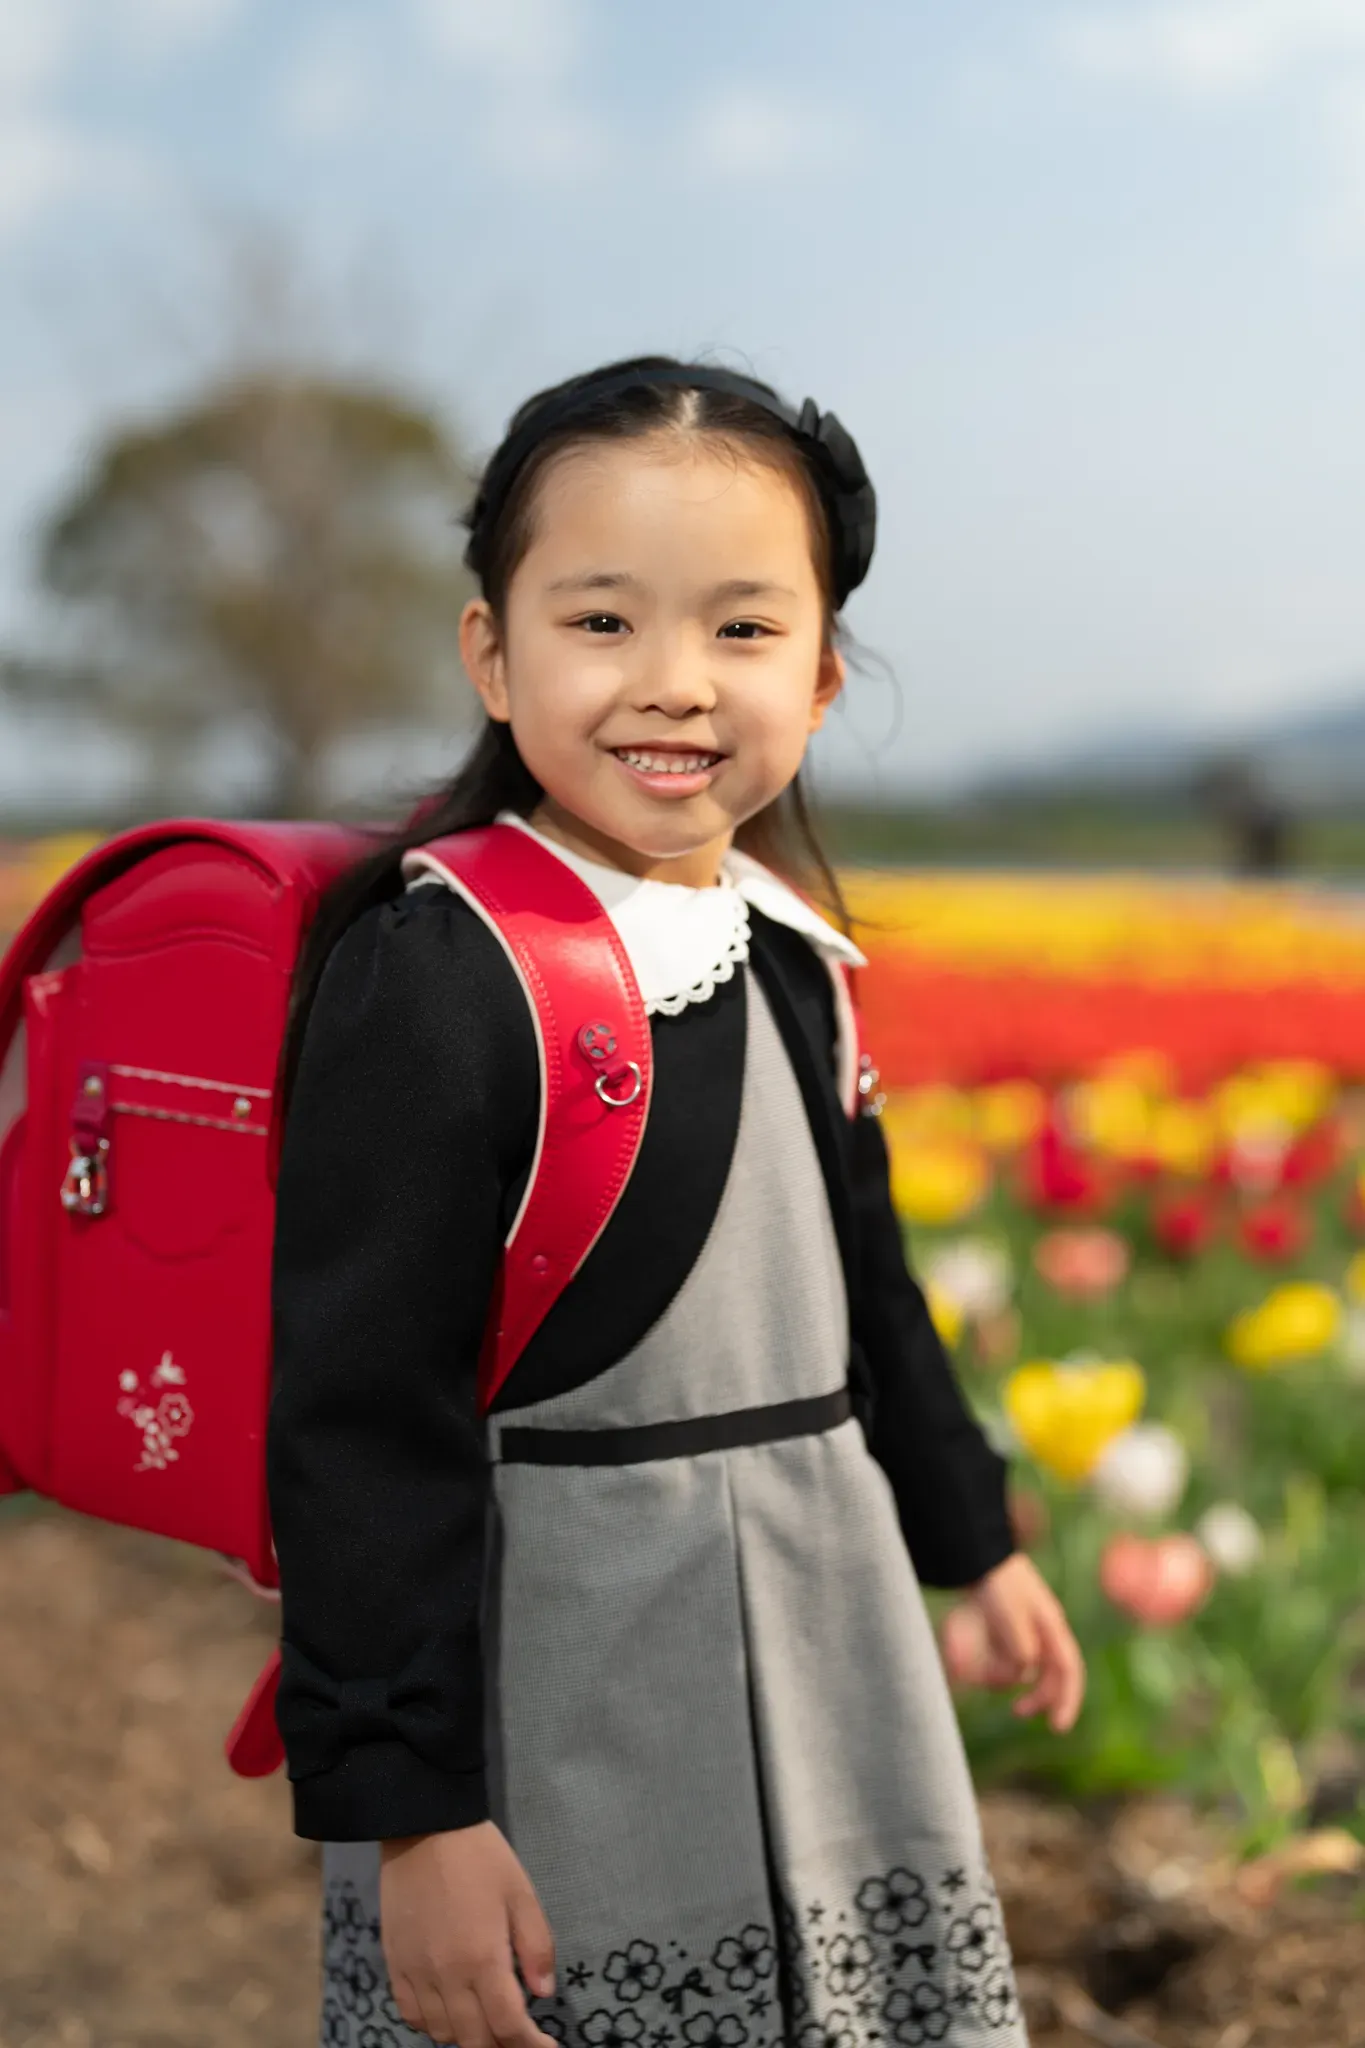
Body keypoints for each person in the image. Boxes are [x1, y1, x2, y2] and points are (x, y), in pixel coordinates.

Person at [267, 355, 1085, 2048]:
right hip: (564, 1662)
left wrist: (971, 1537)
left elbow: (866, 1286)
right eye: (601, 623)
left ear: (826, 674)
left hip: (827, 1598)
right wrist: (412, 1813)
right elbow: (361, 1418)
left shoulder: (796, 957)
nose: (675, 685)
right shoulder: (444, 968)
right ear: (491, 653)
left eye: (741, 628)